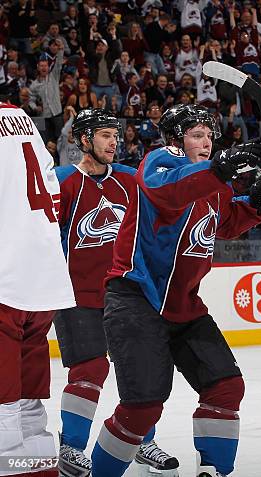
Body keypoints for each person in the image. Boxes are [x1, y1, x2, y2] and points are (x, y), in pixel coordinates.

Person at [89, 104, 261, 477]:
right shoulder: (159, 163)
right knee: (143, 408)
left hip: (183, 307)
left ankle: (213, 471)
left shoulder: (213, 183)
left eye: (209, 136)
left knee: (226, 387)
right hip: (137, 299)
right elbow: (168, 191)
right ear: (176, 140)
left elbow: (225, 221)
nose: (205, 142)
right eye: (196, 135)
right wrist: (221, 167)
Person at [53, 109, 178, 477]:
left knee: (137, 372)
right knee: (89, 369)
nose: (114, 142)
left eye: (115, 136)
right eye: (105, 135)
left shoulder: (128, 178)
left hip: (125, 294)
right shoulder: (62, 181)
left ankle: (140, 441)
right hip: (77, 295)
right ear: (84, 140)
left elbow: (173, 184)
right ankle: (72, 447)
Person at [0, 102, 75, 476]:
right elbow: (52, 191)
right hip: (43, 269)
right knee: (29, 393)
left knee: (3, 404)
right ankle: (39, 464)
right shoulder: (21, 118)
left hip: (6, 272)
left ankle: (10, 463)